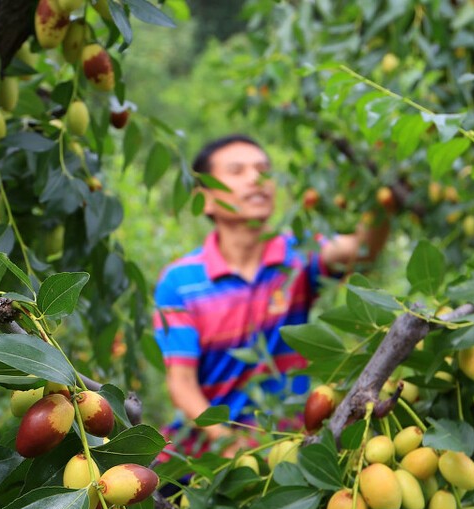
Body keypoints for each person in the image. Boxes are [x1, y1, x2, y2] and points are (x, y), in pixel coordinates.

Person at [152, 134, 390, 457]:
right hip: (206, 451)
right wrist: (228, 444)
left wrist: (385, 196)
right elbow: (181, 384)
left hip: (285, 444)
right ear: (205, 198)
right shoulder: (180, 282)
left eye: (264, 170)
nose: (256, 179)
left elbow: (360, 251)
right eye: (237, 171)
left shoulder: (297, 255)